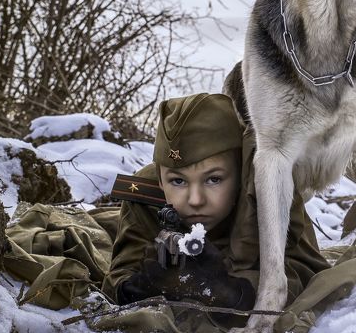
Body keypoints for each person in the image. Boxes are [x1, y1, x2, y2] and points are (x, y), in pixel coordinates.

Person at [102, 92, 330, 316]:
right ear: (160, 181)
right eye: (178, 181)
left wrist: (232, 291)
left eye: (214, 179)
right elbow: (118, 277)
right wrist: (143, 286)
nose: (195, 200)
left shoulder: (268, 189)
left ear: (241, 173)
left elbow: (307, 272)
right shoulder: (146, 193)